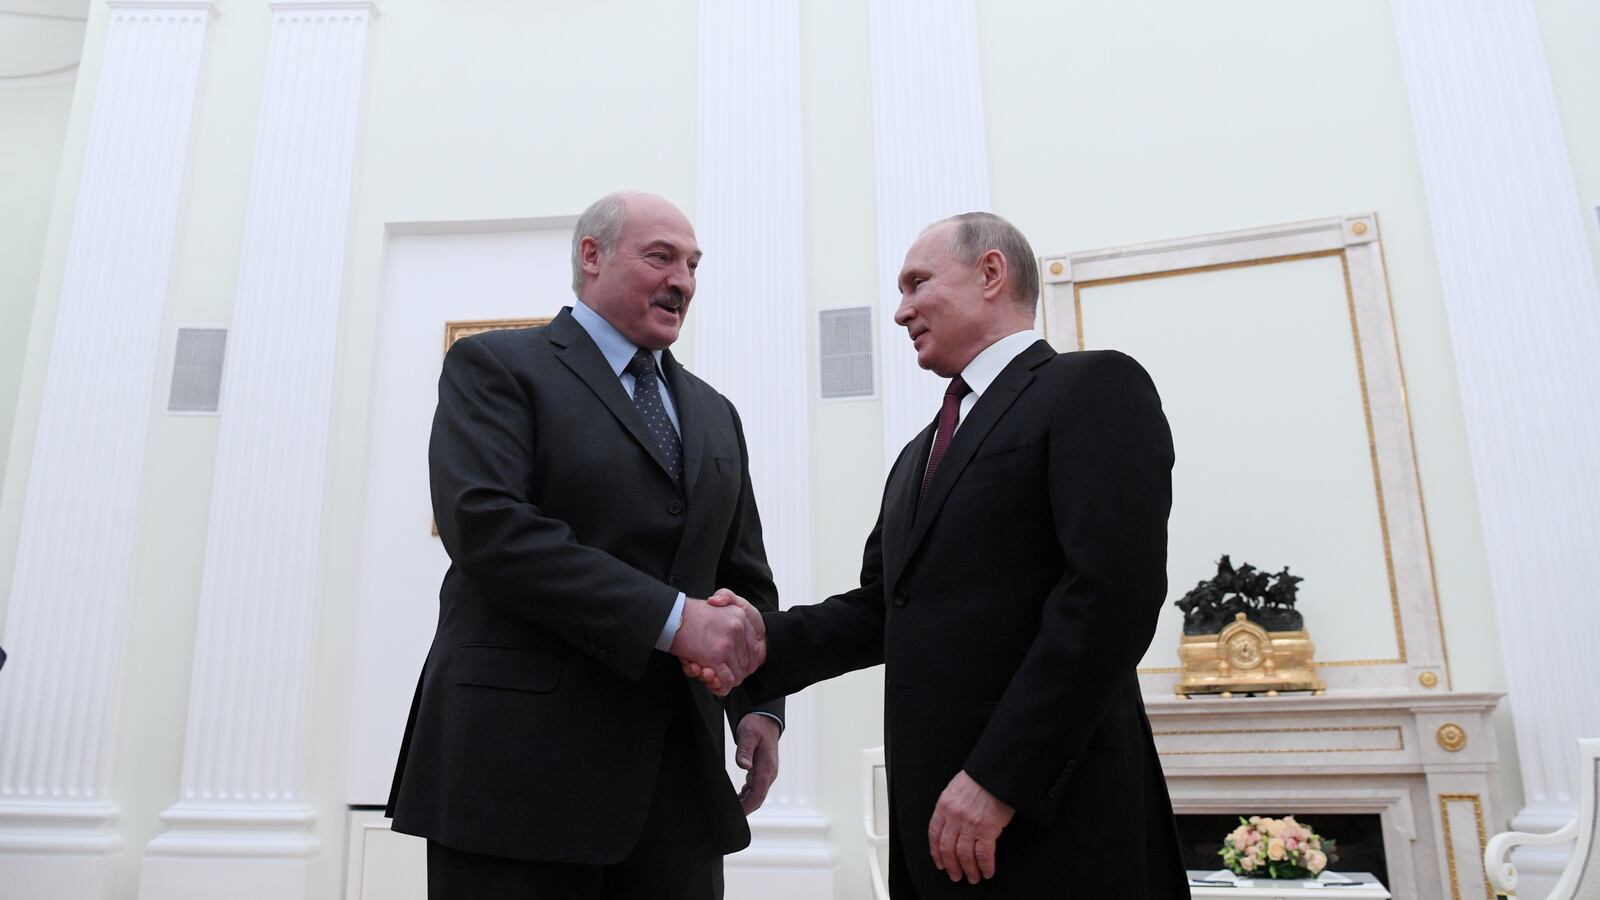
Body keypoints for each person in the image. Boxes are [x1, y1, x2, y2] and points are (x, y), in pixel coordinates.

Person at [692, 212, 1186, 898]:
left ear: (991, 273)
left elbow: (1109, 600)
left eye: (917, 283)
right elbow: (883, 609)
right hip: (935, 833)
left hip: (1057, 822)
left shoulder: (1092, 387)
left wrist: (999, 778)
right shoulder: (917, 456)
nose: (901, 311)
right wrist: (754, 642)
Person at [388, 191, 782, 899]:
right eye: (661, 257)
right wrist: (673, 621)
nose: (683, 281)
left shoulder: (715, 412)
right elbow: (490, 528)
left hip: (675, 785)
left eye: (693, 265)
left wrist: (757, 704)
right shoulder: (495, 366)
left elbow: (742, 575)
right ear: (591, 256)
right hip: (516, 775)